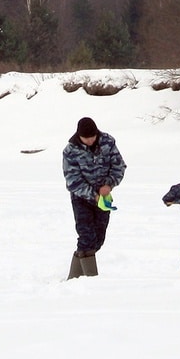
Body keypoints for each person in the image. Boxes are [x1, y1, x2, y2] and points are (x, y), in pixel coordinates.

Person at [61, 116, 126, 279]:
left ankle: (74, 278)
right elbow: (72, 181)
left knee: (97, 240)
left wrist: (109, 184)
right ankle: (89, 279)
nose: (90, 141)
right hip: (81, 199)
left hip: (104, 198)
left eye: (92, 137)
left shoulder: (108, 142)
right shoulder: (70, 151)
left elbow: (119, 166)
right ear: (79, 136)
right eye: (86, 138)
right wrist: (93, 195)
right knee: (86, 236)